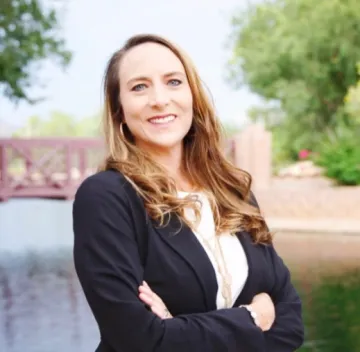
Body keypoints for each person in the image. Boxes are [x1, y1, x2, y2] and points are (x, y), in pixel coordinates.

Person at [72, 33, 304, 352]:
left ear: (192, 94)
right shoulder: (107, 197)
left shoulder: (233, 191)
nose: (159, 99)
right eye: (139, 87)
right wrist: (252, 317)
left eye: (173, 82)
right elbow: (139, 340)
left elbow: (290, 327)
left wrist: (178, 329)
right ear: (119, 110)